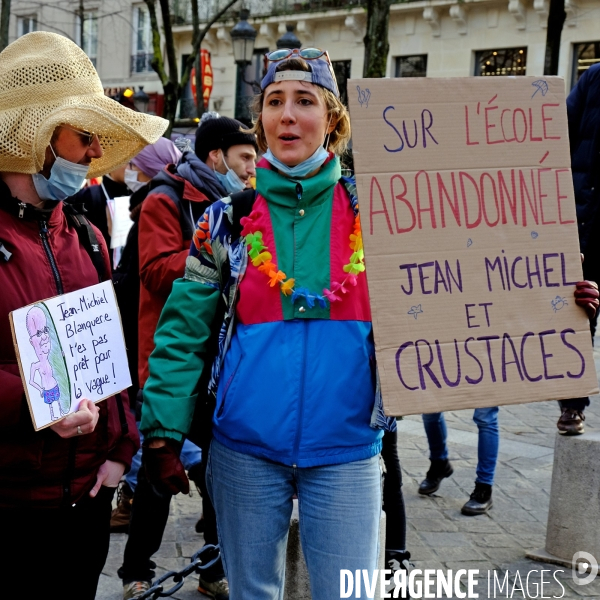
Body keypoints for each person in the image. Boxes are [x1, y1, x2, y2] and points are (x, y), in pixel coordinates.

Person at [139, 48, 388, 600]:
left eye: (305, 101)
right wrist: (161, 431)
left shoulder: (380, 213)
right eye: (275, 102)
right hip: (243, 453)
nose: (288, 116)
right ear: (261, 121)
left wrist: (554, 303)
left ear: (333, 121)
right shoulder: (222, 222)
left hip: (347, 451)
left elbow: (457, 290)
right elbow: (182, 332)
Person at [0, 31, 167, 599]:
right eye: (86, 135)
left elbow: (105, 354)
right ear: (38, 138)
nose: (97, 152)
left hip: (85, 501)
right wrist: (35, 404)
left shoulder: (88, 237)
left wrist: (120, 450)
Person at [118, 114, 257, 600]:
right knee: (159, 470)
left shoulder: (238, 206)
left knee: (219, 474)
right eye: (244, 158)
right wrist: (213, 248)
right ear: (216, 155)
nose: (250, 169)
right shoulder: (165, 198)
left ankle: (213, 570)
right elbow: (155, 272)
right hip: (169, 357)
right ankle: (136, 569)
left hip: (220, 363)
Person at [417, 287, 598, 515]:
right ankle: (439, 463)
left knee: (484, 415)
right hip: (448, 324)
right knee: (429, 407)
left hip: (491, 329)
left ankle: (484, 488)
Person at [559, 63, 600, 434]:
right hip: (584, 219)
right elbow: (557, 131)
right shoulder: (594, 78)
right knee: (581, 309)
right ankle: (573, 405)